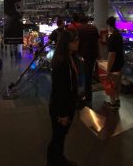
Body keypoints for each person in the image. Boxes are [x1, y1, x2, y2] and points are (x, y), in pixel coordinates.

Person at [47, 29, 80, 166]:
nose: (78, 43)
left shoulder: (71, 57)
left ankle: (57, 160)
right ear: (67, 43)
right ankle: (55, 161)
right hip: (61, 108)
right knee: (58, 137)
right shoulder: (62, 62)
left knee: (60, 137)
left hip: (67, 105)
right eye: (75, 40)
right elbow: (60, 90)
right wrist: (63, 114)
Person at [71, 14, 100, 104]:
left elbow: (77, 42)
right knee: (89, 75)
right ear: (87, 20)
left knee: (80, 74)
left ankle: (82, 94)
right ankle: (88, 94)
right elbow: (97, 42)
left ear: (80, 21)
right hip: (93, 55)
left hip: (82, 56)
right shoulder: (94, 28)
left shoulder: (79, 29)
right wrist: (98, 54)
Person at [105, 16, 124, 109]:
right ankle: (117, 99)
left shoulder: (112, 37)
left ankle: (112, 103)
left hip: (115, 64)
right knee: (118, 82)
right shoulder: (118, 34)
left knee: (112, 84)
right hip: (120, 62)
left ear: (109, 25)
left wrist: (108, 70)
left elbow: (111, 55)